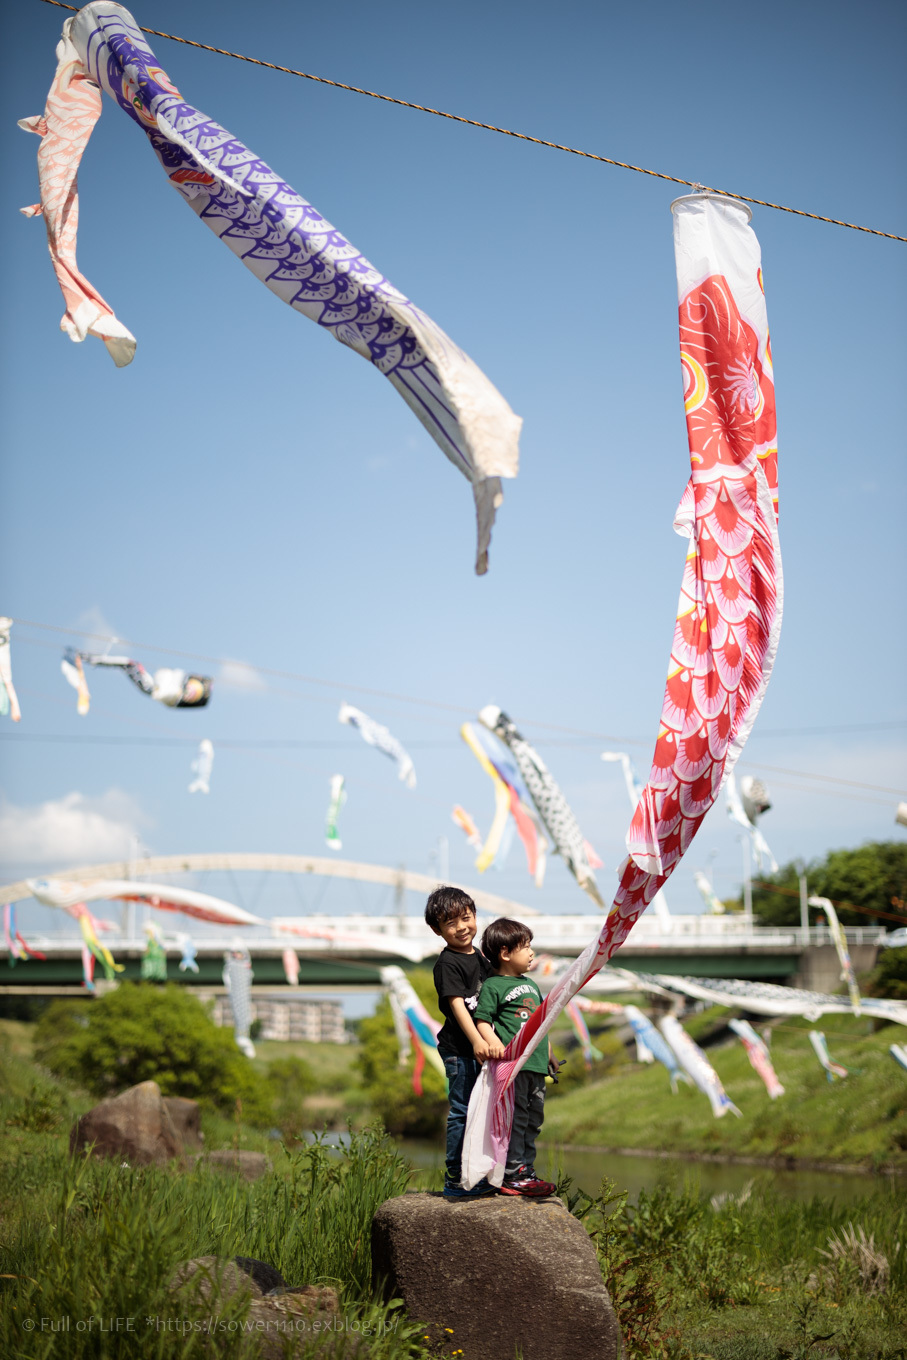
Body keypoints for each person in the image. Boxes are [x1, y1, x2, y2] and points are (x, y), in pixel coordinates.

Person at [426, 885, 504, 1199]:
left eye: (466, 918)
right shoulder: (447, 964)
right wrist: (476, 1041)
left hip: (483, 1049)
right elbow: (458, 1005)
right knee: (462, 1111)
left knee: (484, 1112)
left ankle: (482, 1174)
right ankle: (456, 1179)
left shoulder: (483, 959)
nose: (462, 927)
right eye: (451, 923)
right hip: (461, 1049)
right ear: (437, 930)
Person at [473, 918, 559, 1197]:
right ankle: (512, 1173)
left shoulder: (532, 985)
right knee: (517, 1119)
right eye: (526, 947)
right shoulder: (493, 986)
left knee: (534, 1119)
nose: (532, 952)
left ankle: (526, 1171)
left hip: (536, 1066)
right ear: (505, 953)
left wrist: (550, 1054)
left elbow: (540, 1025)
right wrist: (494, 1044)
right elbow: (482, 1021)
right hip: (514, 1067)